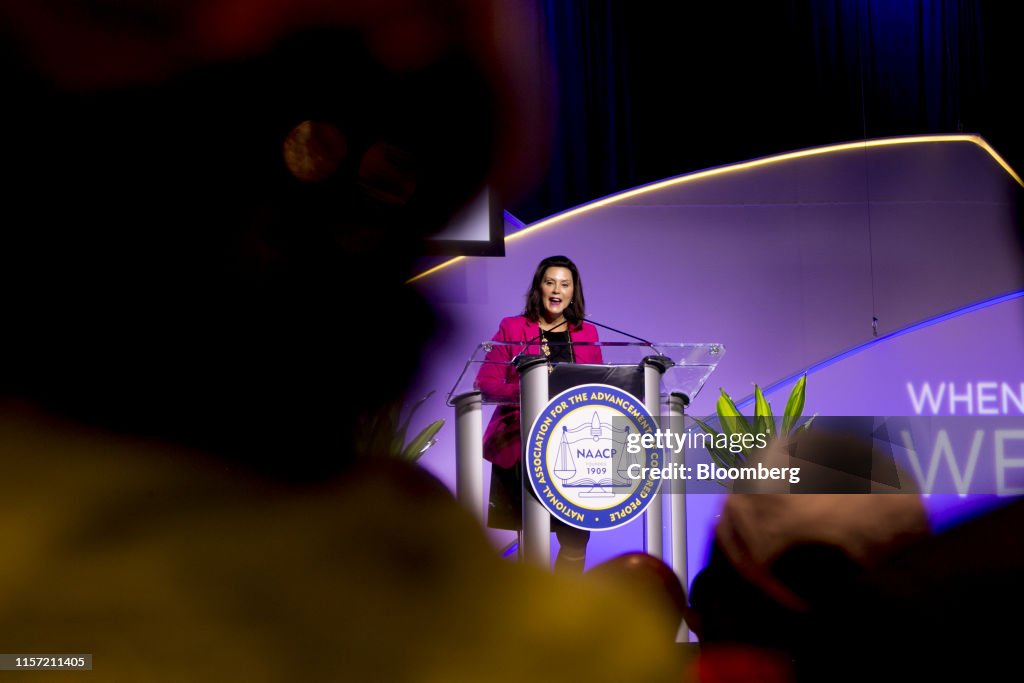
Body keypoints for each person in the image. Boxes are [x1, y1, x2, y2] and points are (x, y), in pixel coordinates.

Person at [474, 255, 603, 572]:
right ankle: (532, 610)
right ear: (539, 288)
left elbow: (602, 384)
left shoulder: (588, 333)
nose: (557, 290)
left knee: (576, 538)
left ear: (574, 292)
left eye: (565, 284)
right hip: (523, 441)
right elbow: (486, 383)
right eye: (550, 282)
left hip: (575, 448)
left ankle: (564, 606)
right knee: (533, 535)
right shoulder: (514, 327)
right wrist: (532, 389)